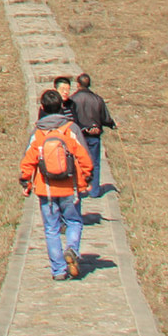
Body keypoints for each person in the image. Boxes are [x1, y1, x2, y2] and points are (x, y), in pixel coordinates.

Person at [19, 88, 93, 280]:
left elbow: (28, 161)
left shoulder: (38, 133)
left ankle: (58, 270)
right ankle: (72, 249)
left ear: (42, 107)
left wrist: (26, 182)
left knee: (51, 229)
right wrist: (86, 179)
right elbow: (84, 157)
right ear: (62, 106)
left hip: (46, 189)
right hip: (70, 187)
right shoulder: (71, 129)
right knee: (74, 221)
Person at [68, 72, 117, 197]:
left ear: (78, 84)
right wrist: (112, 125)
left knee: (78, 161)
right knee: (94, 162)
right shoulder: (98, 99)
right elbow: (105, 118)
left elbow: (69, 118)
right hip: (94, 136)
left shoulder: (73, 100)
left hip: (78, 136)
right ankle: (94, 191)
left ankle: (81, 187)